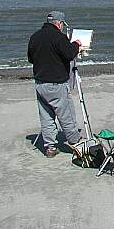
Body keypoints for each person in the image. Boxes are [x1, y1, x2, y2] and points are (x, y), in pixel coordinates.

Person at [28, 11, 83, 158]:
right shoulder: (58, 37)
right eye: (62, 25)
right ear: (59, 23)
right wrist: (76, 44)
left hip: (40, 83)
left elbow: (31, 59)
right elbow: (69, 53)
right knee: (66, 115)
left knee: (46, 116)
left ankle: (50, 147)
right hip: (56, 83)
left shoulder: (35, 36)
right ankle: (76, 142)